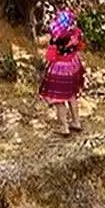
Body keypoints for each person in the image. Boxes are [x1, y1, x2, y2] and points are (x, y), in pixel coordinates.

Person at [38, 8, 87, 136]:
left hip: (59, 70)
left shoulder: (56, 38)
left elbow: (50, 56)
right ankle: (76, 122)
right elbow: (80, 46)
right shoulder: (75, 34)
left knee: (59, 100)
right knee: (71, 95)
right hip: (73, 65)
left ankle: (64, 127)